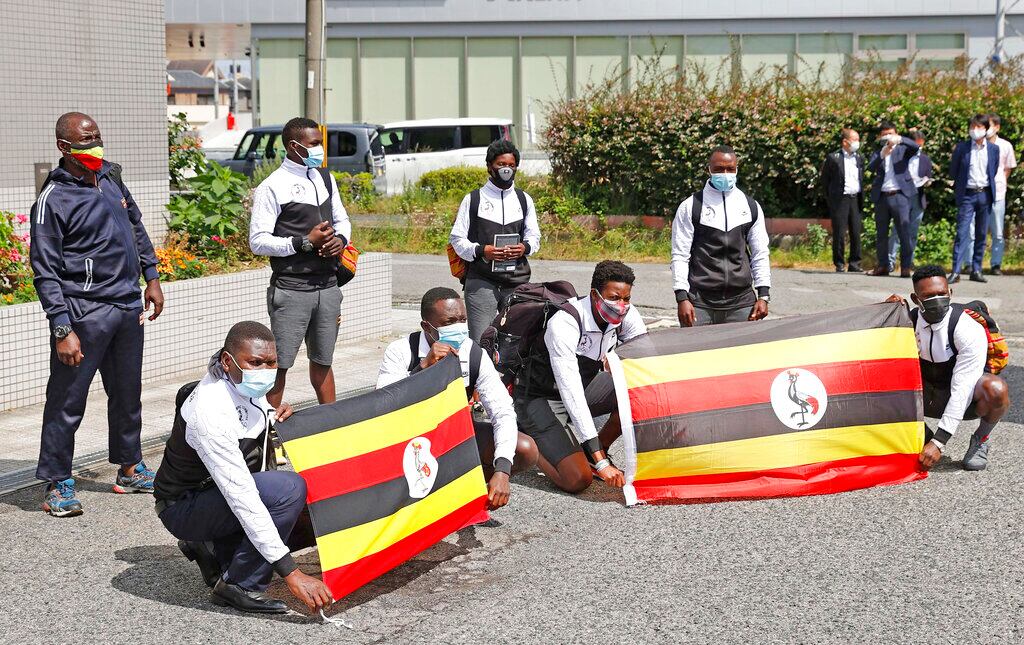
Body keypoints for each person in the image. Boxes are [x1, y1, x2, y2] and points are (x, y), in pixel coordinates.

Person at [29, 112, 165, 517]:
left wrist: (152, 277)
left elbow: (136, 227)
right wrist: (61, 326)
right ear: (63, 147)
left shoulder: (110, 178)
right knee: (67, 399)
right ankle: (58, 481)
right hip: (84, 311)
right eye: (84, 141)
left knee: (127, 392)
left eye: (96, 138)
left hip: (126, 304)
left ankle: (129, 467)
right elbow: (44, 269)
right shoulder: (53, 199)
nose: (93, 146)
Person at [154, 321, 333, 615]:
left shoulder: (238, 383)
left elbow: (248, 430)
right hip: (184, 507)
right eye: (255, 362)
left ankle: (211, 547)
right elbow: (243, 496)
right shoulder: (210, 410)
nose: (264, 370)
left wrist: (272, 416)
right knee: (288, 490)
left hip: (214, 497)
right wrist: (292, 573)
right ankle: (239, 585)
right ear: (228, 361)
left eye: (271, 363)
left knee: (317, 506)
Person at [376, 287, 539, 510]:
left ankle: (463, 496)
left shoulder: (473, 354)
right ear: (427, 326)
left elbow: (502, 411)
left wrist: (502, 471)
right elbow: (382, 408)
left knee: (524, 448)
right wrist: (422, 369)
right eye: (449, 322)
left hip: (451, 435)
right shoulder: (401, 351)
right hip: (407, 440)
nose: (458, 327)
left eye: (462, 320)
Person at [514, 260, 647, 494]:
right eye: (614, 298)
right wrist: (602, 463)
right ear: (595, 295)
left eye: (626, 299)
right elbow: (571, 392)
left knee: (637, 390)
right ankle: (521, 436)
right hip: (541, 397)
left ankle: (595, 450)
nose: (621, 305)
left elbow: (646, 360)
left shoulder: (627, 314)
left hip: (584, 387)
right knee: (577, 479)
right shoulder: (565, 322)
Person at [249, 117, 351, 407]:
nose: (320, 149)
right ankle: (268, 430)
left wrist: (340, 240)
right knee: (278, 364)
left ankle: (331, 424)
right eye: (315, 144)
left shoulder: (325, 177)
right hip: (292, 289)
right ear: (294, 146)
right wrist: (304, 242)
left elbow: (342, 218)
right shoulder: (273, 186)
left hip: (328, 287)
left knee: (323, 361)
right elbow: (257, 241)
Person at [885, 266, 1010, 471]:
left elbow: (963, 388)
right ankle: (921, 434)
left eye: (941, 294)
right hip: (923, 397)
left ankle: (981, 439)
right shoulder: (908, 321)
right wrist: (888, 313)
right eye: (928, 296)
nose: (937, 300)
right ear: (916, 299)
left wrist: (939, 442)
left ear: (950, 293)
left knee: (996, 390)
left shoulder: (968, 329)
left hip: (963, 399)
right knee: (882, 378)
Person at [449, 139, 541, 342]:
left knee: (516, 341)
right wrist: (482, 251)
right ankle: (481, 374)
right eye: (501, 165)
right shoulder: (473, 199)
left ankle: (511, 376)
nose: (506, 169)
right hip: (482, 280)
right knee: (481, 341)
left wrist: (523, 248)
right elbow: (457, 239)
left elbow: (534, 236)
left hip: (517, 281)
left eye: (511, 165)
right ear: (490, 166)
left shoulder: (524, 199)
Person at [672, 145, 771, 326]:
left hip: (741, 303)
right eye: (718, 169)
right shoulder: (691, 206)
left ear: (736, 169)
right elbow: (680, 255)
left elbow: (760, 253)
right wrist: (682, 297)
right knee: (695, 354)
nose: (725, 173)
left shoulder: (751, 206)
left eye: (730, 169)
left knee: (743, 354)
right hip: (700, 302)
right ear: (708, 170)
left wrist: (764, 295)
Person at [948, 114, 999, 284]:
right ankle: (956, 271)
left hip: (985, 193)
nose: (974, 130)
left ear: (986, 129)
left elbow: (994, 169)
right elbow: (953, 171)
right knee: (962, 232)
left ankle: (976, 269)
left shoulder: (993, 149)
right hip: (967, 195)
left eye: (978, 127)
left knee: (981, 233)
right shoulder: (962, 148)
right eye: (972, 127)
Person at [865, 121, 920, 277]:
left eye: (890, 133)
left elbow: (916, 147)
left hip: (900, 195)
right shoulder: (878, 151)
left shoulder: (903, 149)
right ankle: (882, 265)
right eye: (884, 134)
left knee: (904, 232)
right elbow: (870, 167)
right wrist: (883, 154)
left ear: (895, 133)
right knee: (881, 233)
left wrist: (900, 139)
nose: (887, 136)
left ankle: (905, 267)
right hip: (882, 196)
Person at [887, 128, 934, 272]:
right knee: (897, 230)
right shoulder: (901, 155)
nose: (919, 147)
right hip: (902, 196)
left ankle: (908, 261)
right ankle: (890, 261)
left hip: (918, 196)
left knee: (913, 231)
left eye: (921, 144)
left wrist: (927, 181)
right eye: (917, 144)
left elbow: (928, 174)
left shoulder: (925, 159)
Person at [820, 128, 865, 272]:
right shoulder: (834, 158)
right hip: (840, 200)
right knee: (839, 232)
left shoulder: (859, 157)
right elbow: (825, 180)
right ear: (845, 142)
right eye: (855, 140)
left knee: (856, 231)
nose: (857, 143)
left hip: (855, 198)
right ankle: (839, 263)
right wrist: (831, 199)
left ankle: (855, 262)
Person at [985, 114, 1017, 275]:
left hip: (998, 192)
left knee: (997, 231)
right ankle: (970, 263)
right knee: (976, 231)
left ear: (997, 127)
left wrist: (1000, 182)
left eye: (989, 125)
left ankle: (995, 264)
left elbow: (1008, 168)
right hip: (982, 192)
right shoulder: (979, 144)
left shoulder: (1006, 146)